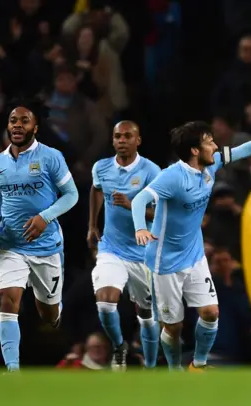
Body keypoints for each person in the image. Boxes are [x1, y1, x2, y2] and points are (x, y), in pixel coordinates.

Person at [131, 120, 251, 371]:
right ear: (195, 150)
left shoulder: (212, 164)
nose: (216, 146)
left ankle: (200, 363)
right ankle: (174, 372)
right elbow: (140, 200)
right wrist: (141, 227)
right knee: (172, 328)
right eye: (209, 142)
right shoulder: (172, 177)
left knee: (210, 313)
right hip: (165, 262)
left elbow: (247, 148)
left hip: (194, 255)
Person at [0, 99, 79, 372]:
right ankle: (13, 370)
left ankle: (53, 311)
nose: (18, 125)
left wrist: (44, 217)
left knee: (47, 314)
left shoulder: (50, 157)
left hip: (46, 247)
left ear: (35, 126)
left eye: (24, 121)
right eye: (13, 120)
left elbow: (72, 195)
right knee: (8, 298)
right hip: (10, 244)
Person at [88, 121, 161, 371]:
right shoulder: (102, 167)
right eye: (117, 136)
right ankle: (119, 346)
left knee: (147, 317)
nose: (122, 140)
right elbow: (97, 190)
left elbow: (162, 215)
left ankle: (150, 366)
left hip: (143, 253)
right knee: (105, 303)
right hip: (112, 248)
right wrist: (92, 225)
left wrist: (133, 206)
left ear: (137, 140)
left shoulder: (152, 172)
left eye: (127, 136)